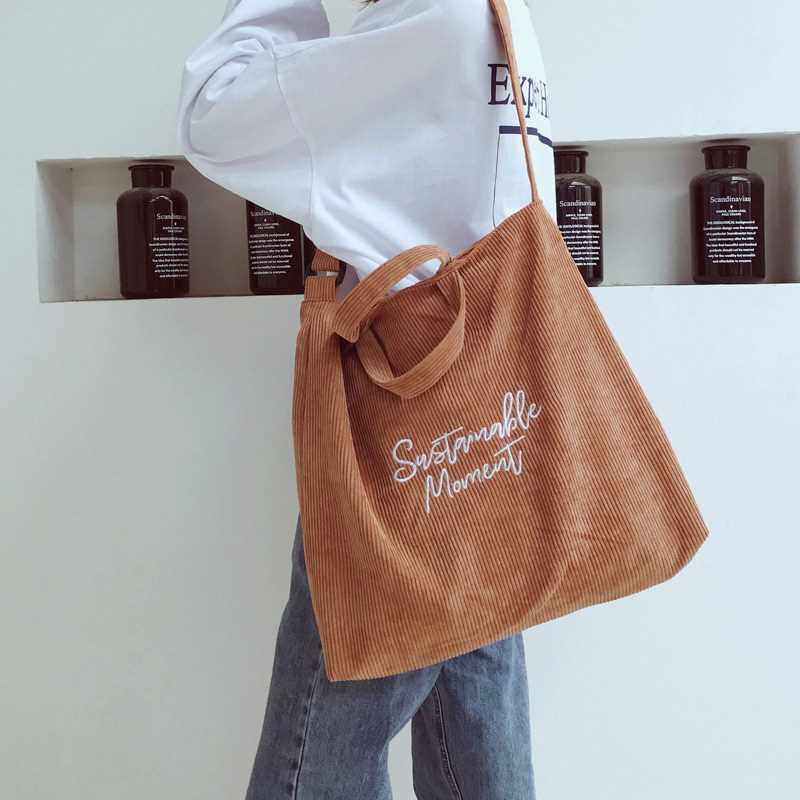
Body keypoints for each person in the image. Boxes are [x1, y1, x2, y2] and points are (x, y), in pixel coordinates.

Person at [176, 1, 555, 797]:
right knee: (476, 744)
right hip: (492, 427)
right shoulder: (501, 17)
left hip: (404, 427)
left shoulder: (425, 23)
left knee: (315, 763)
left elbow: (214, 111)